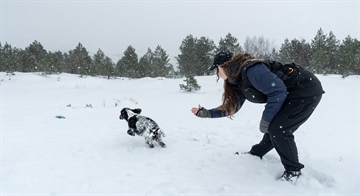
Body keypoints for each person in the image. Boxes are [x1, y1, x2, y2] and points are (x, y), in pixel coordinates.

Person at [191, 51, 324, 183]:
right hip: (289, 94)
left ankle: (293, 170)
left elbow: (278, 90)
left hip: (305, 90)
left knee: (279, 129)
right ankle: (257, 153)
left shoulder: (252, 70)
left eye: (217, 69)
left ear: (223, 66)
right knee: (275, 128)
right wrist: (207, 113)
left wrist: (265, 119)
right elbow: (233, 107)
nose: (217, 74)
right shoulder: (237, 80)